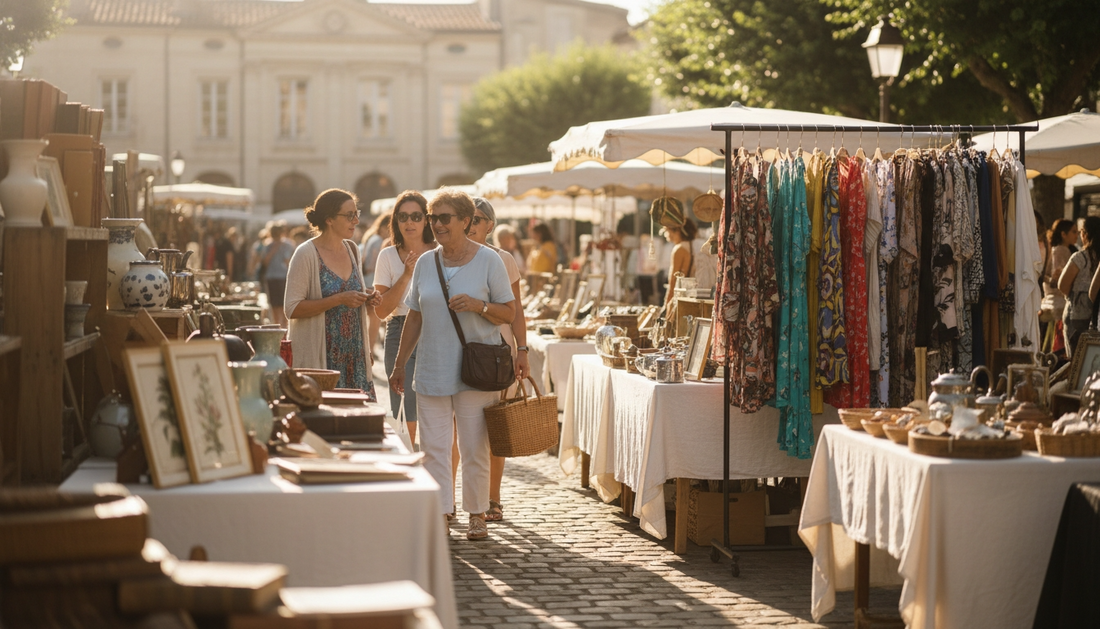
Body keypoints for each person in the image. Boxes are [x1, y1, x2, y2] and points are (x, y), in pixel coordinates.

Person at [389, 188, 516, 541]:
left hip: (476, 369)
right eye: (433, 218)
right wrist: (400, 364)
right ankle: (443, 510)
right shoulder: (426, 262)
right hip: (432, 367)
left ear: (465, 221)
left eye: (445, 218)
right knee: (434, 448)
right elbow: (413, 317)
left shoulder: (489, 260)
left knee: (475, 447)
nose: (437, 224)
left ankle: (477, 513)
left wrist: (479, 306)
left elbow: (509, 311)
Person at [451, 197, 529, 523]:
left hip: (497, 353)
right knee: (458, 431)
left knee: (495, 429)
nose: (472, 223)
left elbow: (518, 312)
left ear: (490, 226)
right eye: (468, 217)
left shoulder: (503, 258)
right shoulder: (450, 257)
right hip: (459, 350)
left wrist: (522, 350)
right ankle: (452, 498)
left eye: (479, 218)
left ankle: (493, 497)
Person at [285, 189, 381, 399]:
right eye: (349, 215)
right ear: (329, 219)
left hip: (354, 356)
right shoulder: (305, 253)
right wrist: (338, 299)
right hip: (321, 360)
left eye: (357, 213)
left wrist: (367, 297)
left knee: (358, 423)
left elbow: (350, 293)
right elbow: (291, 308)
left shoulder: (352, 249)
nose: (356, 220)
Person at [374, 191, 436, 443]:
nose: (409, 222)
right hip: (399, 328)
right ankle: (412, 464)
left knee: (438, 405)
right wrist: (407, 274)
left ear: (426, 220)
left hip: (436, 329)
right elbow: (380, 310)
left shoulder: (440, 251)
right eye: (403, 217)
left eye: (416, 216)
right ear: (395, 221)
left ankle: (439, 471)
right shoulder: (387, 256)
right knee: (404, 405)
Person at [1059, 216, 1100, 356]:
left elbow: (1063, 286)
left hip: (1077, 318)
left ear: (1085, 234)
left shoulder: (1080, 257)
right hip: (1096, 319)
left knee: (1076, 364)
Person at [1043, 219, 1078, 354]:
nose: (1076, 235)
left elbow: (1047, 276)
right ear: (1064, 234)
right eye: (1073, 232)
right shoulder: (1062, 250)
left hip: (1050, 300)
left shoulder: (1054, 249)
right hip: (1059, 303)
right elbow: (1058, 276)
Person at [360, 213, 392, 359]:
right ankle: (369, 352)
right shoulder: (379, 241)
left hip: (365, 282)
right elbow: (372, 264)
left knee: (368, 321)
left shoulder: (370, 237)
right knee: (374, 322)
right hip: (373, 284)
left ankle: (367, 351)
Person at [662, 218, 699, 312]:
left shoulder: (679, 249)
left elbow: (673, 281)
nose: (665, 234)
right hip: (698, 296)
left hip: (684, 300)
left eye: (667, 230)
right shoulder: (696, 245)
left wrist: (666, 306)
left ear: (677, 231)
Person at [263, 223, 294, 326]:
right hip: (271, 277)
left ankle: (285, 327)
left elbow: (288, 261)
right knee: (274, 304)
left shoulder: (288, 245)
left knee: (284, 304)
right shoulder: (268, 245)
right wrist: (274, 249)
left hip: (283, 277)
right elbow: (265, 262)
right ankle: (277, 325)